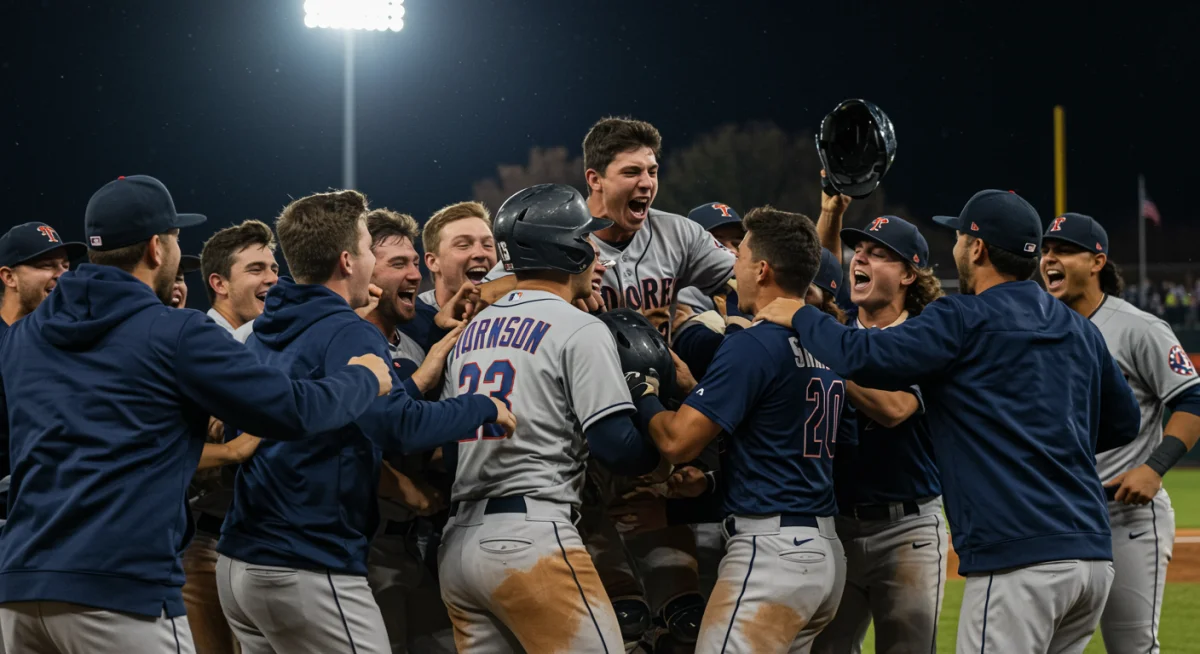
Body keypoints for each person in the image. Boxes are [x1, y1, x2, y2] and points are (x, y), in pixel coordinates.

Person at [0, 174, 393, 654]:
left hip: (21, 588)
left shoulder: (24, 336)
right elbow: (291, 411)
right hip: (121, 590)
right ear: (155, 249)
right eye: (174, 238)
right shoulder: (174, 332)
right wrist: (365, 378)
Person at [755, 189, 1142, 653]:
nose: (956, 247)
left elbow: (859, 354)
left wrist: (800, 315)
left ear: (976, 247)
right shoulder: (1076, 326)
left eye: (960, 236)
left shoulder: (962, 318)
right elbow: (1123, 424)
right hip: (1092, 558)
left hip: (1017, 558)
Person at [214, 189, 515, 654]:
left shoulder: (265, 328)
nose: (373, 267)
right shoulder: (348, 331)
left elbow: (325, 417)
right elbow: (398, 427)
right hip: (308, 562)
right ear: (348, 261)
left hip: (239, 563)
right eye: (364, 250)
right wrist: (482, 406)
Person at [438, 183, 664, 653]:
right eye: (588, 241)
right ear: (566, 248)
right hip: (530, 538)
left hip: (459, 544)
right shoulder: (579, 326)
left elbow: (445, 453)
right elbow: (615, 446)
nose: (596, 255)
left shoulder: (471, 330)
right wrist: (658, 443)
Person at [633, 206, 848, 653]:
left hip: (772, 554)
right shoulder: (826, 339)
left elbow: (676, 441)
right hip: (825, 548)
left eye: (741, 257)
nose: (734, 268)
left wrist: (644, 393)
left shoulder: (753, 342)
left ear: (763, 269)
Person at [1041, 212, 1200, 654]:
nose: (1050, 259)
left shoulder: (1137, 327)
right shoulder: (1037, 326)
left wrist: (1155, 467)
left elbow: (1192, 400)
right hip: (1059, 515)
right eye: (1047, 250)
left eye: (1065, 250)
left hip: (1123, 516)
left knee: (1131, 647)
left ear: (1097, 262)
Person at [810, 204, 948, 654]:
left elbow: (894, 409)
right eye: (859, 250)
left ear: (910, 274)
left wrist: (828, 358)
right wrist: (830, 209)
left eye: (878, 253)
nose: (860, 259)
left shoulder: (930, 337)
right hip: (835, 527)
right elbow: (818, 267)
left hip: (906, 530)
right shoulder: (842, 333)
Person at [482, 117, 736, 337]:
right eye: (632, 172)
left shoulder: (679, 232)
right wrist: (555, 285)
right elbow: (483, 295)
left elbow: (743, 279)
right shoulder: (553, 231)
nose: (647, 183)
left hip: (662, 381)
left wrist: (737, 333)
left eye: (652, 171)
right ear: (595, 180)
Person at [361, 207, 460, 654]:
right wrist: (402, 487)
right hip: (364, 546)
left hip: (414, 544)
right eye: (397, 264)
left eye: (414, 262)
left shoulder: (416, 335)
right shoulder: (344, 338)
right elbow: (355, 434)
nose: (414, 275)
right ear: (361, 268)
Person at [201, 219, 280, 342]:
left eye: (274, 271)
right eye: (256, 269)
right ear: (220, 284)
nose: (274, 279)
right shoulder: (199, 342)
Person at [0, 222, 86, 326]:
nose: (63, 276)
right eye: (47, 265)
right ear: (9, 277)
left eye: (65, 266)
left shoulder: (72, 332)